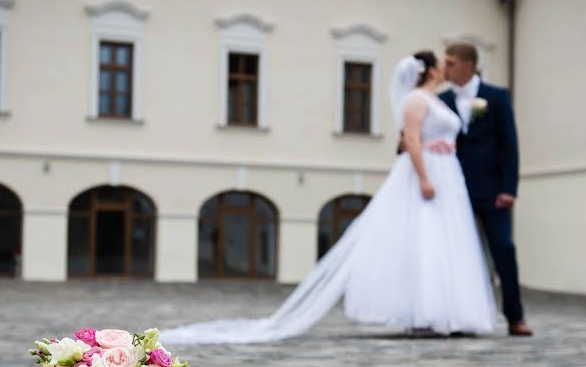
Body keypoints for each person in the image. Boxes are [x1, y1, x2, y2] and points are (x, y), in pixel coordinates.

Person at [160, 51, 496, 344]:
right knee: (425, 240)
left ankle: (453, 312)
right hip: (429, 171)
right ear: (430, 70)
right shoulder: (416, 100)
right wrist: (424, 176)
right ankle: (426, 314)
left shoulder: (440, 100)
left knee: (448, 242)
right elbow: (410, 139)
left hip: (450, 175)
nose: (445, 67)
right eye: (441, 63)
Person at [440, 43, 533, 336]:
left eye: (452, 63)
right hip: (454, 191)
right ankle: (460, 316)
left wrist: (509, 188)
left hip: (493, 191)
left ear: (469, 65)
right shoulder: (441, 100)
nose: (446, 68)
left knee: (503, 249)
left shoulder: (496, 97)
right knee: (459, 254)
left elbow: (509, 144)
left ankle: (515, 317)